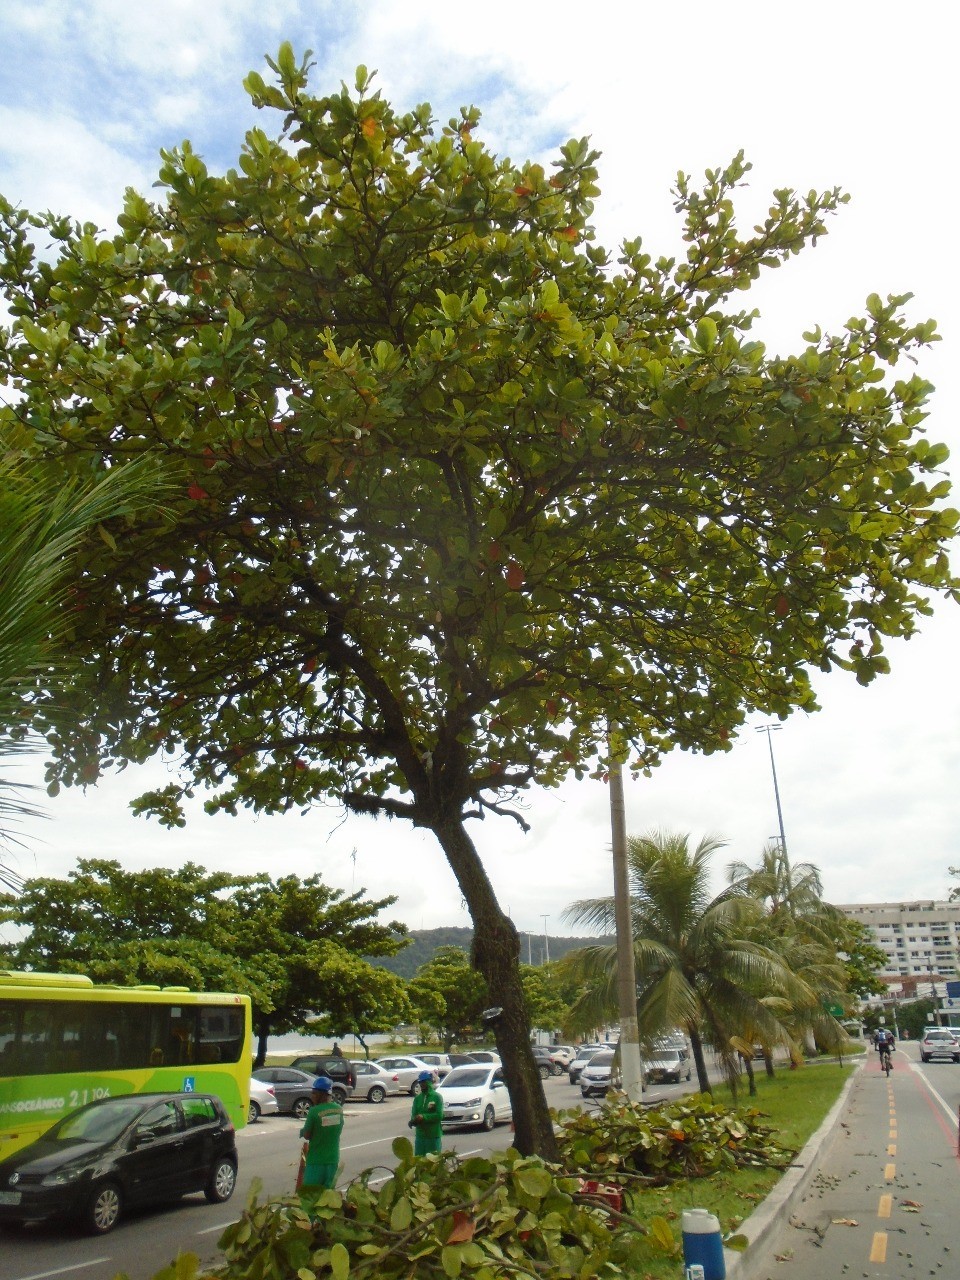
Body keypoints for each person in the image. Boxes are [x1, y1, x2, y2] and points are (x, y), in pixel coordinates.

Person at [299, 1076, 344, 1190]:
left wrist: (304, 1132)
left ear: (322, 1094)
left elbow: (307, 1135)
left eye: (314, 1093)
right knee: (327, 1198)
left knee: (310, 1197)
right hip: (333, 1160)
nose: (312, 1096)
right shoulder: (338, 1109)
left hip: (316, 1161)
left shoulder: (314, 1111)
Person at [408, 1069, 444, 1155]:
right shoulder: (417, 1099)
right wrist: (414, 1120)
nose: (422, 1084)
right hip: (420, 1136)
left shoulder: (437, 1097)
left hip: (433, 1136)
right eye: (420, 1082)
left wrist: (424, 1117)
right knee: (419, 1162)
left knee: (433, 1162)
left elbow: (439, 1115)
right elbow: (413, 1115)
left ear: (429, 1082)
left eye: (424, 1082)